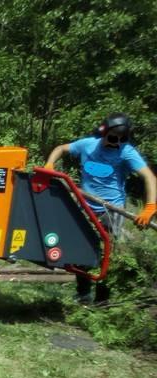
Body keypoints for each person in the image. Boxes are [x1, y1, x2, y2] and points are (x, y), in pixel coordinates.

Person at [44, 112, 156, 303]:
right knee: (81, 248)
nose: (116, 143)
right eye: (113, 138)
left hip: (111, 210)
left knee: (107, 254)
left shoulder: (126, 152)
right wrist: (50, 163)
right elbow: (61, 148)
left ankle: (102, 301)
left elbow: (149, 177)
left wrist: (150, 206)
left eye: (121, 139)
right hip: (85, 205)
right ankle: (83, 293)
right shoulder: (88, 145)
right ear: (104, 132)